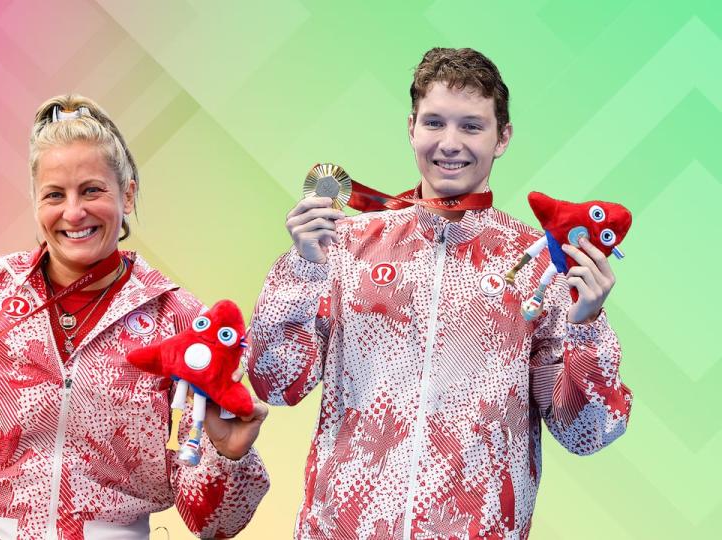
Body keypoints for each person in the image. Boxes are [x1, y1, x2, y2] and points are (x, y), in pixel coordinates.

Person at [0, 94, 270, 539]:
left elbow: (218, 525)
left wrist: (227, 455)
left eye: (92, 190)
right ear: (37, 204)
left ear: (128, 194)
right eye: (54, 195)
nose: (73, 212)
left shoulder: (176, 317)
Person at [246, 48, 631, 539]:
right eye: (434, 123)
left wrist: (588, 325)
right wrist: (301, 267)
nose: (450, 143)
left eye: (471, 126)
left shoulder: (539, 268)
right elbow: (275, 384)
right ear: (411, 128)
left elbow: (586, 433)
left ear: (503, 137)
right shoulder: (345, 246)